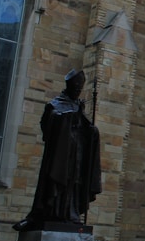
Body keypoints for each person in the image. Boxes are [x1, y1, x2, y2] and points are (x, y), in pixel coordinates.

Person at [13, 69, 101, 231]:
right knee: (57, 184)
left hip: (77, 155)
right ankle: (52, 213)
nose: (77, 92)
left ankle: (71, 213)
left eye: (79, 89)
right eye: (75, 88)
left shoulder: (78, 106)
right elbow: (47, 129)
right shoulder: (54, 104)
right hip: (60, 157)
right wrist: (63, 119)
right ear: (68, 87)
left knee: (75, 184)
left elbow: (85, 129)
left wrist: (92, 130)